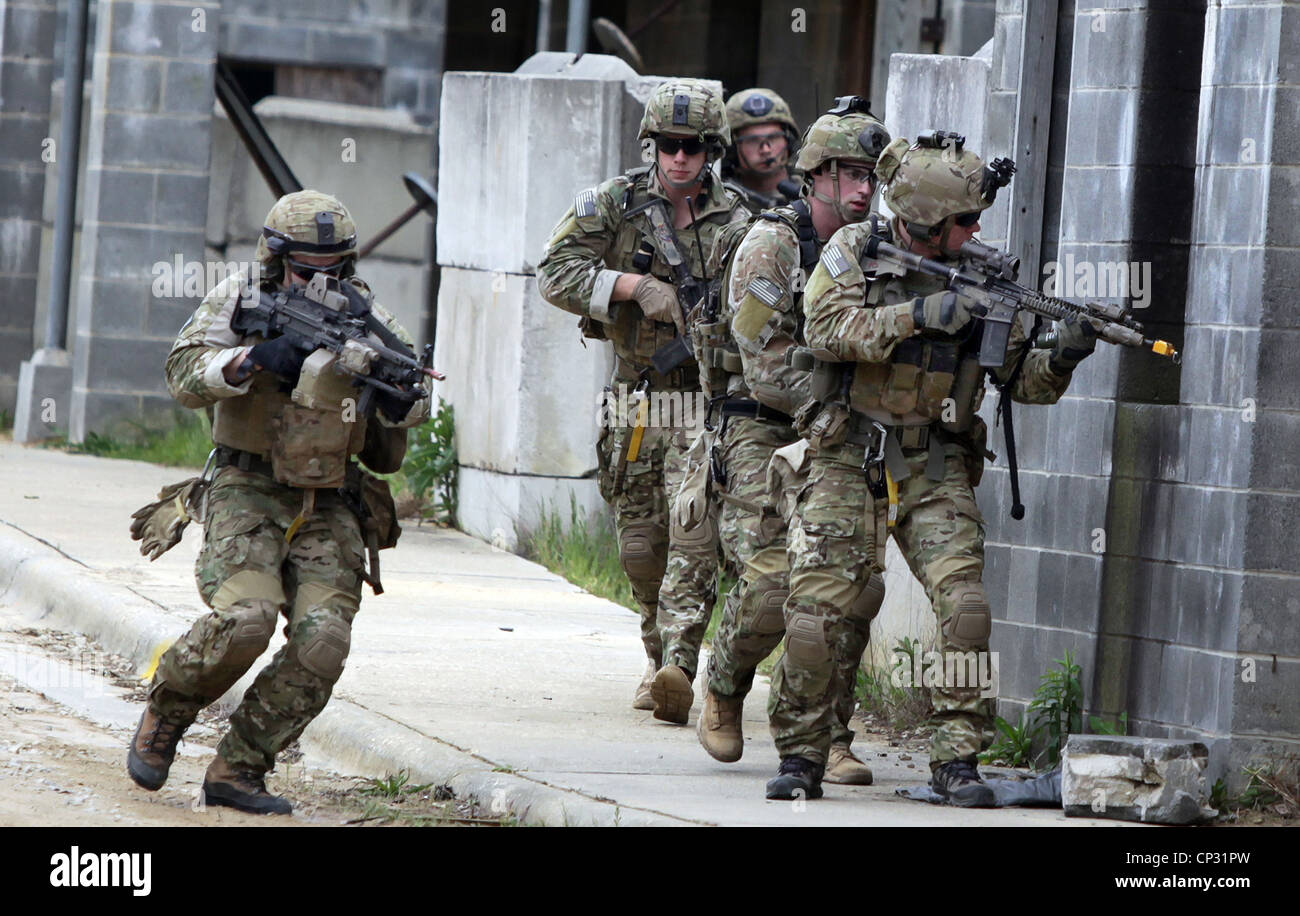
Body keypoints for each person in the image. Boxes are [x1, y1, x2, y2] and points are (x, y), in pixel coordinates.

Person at [764, 133, 1098, 802]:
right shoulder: (854, 250)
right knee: (813, 617)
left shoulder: (985, 277)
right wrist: (919, 315)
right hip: (846, 453)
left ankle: (955, 758)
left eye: (976, 219)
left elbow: (1020, 381)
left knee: (966, 608)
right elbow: (825, 329)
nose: (975, 230)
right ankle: (802, 754)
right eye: (965, 219)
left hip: (935, 460)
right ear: (925, 218)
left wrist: (1062, 355)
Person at [127, 190, 429, 814]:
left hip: (329, 499)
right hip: (247, 485)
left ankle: (239, 767)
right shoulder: (239, 298)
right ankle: (167, 709)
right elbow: (181, 372)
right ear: (275, 259)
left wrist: (400, 398)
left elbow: (419, 394)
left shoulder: (364, 316)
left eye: (334, 270)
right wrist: (247, 360)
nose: (321, 283)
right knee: (247, 620)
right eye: (305, 271)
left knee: (323, 641)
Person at [677, 100, 891, 785]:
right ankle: (725, 681)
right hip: (759, 423)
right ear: (817, 176)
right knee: (771, 582)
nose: (862, 189)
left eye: (870, 177)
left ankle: (828, 732)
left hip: (841, 426)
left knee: (851, 586)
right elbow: (761, 355)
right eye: (849, 174)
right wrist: (822, 408)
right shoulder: (772, 243)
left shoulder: (873, 249)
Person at [536, 80, 748, 710]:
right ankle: (657, 655)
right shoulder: (613, 203)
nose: (679, 158)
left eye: (692, 147)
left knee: (693, 530)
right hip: (633, 397)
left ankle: (681, 668)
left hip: (701, 397)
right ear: (650, 145)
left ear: (711, 150)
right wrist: (631, 286)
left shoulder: (737, 219)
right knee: (639, 546)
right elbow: (553, 272)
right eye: (668, 145)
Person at [719, 88, 802, 213]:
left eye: (773, 138)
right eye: (753, 140)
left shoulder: (813, 192)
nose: (766, 150)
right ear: (732, 149)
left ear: (788, 140)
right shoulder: (719, 201)